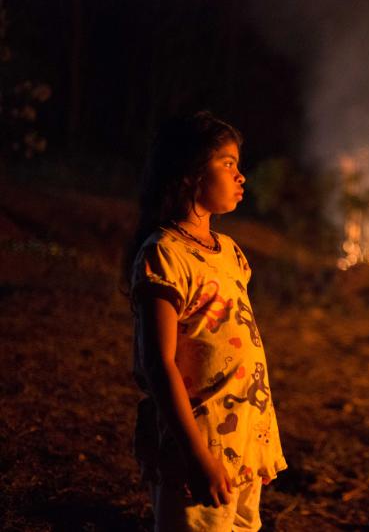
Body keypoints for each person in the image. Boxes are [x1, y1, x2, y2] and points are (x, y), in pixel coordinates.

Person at [122, 111, 287, 531]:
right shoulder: (164, 254)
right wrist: (197, 457)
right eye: (227, 163)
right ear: (189, 172)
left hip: (245, 444)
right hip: (201, 445)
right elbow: (158, 364)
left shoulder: (230, 252)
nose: (241, 176)